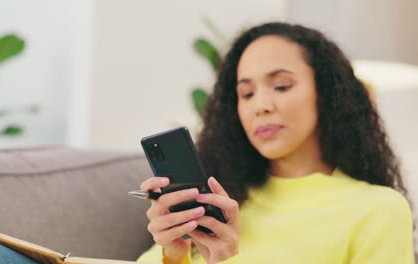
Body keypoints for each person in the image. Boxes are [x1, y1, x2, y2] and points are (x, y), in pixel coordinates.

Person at [136, 22, 416, 264]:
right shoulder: (219, 200)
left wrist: (227, 258)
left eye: (281, 86)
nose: (261, 106)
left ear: (327, 93)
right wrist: (174, 253)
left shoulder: (378, 210)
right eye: (246, 94)